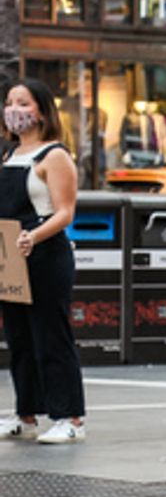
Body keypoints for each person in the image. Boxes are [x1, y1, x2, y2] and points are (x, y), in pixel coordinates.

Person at [0, 79, 86, 444]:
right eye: (9, 102)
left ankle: (70, 418)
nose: (14, 109)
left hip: (45, 255)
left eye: (24, 103)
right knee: (18, 337)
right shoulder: (8, 155)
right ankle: (26, 414)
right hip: (11, 256)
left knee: (51, 336)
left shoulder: (54, 156)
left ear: (42, 111)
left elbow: (65, 212)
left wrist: (33, 236)